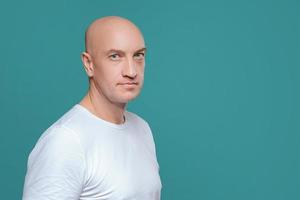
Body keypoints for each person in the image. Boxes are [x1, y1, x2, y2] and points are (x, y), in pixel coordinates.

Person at [22, 16, 162, 200]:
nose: (131, 71)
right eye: (115, 56)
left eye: (138, 55)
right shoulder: (65, 141)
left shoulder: (142, 128)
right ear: (89, 64)